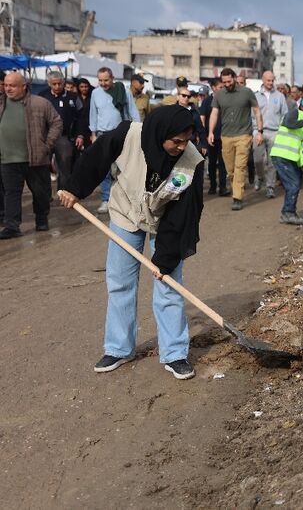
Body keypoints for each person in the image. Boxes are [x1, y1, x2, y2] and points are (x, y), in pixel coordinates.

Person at [58, 105, 205, 380]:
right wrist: (74, 188)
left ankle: (174, 353)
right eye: (176, 141)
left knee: (168, 285)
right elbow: (95, 159)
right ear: (160, 134)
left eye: (187, 140)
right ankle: (118, 348)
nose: (182, 146)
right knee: (120, 282)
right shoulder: (128, 135)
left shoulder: (191, 162)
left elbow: (183, 217)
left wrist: (164, 259)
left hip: (165, 224)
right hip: (125, 213)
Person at [0, 72, 62, 238]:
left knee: (40, 192)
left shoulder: (40, 103)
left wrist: (47, 145)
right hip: (7, 159)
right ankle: (12, 226)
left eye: (12, 85)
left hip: (35, 158)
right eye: (6, 85)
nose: (8, 89)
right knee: (11, 193)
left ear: (23, 86)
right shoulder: (2, 102)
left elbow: (56, 122)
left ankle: (42, 219)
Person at [207, 68, 264, 211]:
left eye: (229, 81)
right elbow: (214, 113)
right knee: (230, 170)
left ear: (234, 78)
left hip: (244, 135)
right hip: (226, 136)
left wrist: (260, 131)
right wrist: (210, 132)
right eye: (224, 82)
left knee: (240, 167)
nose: (227, 84)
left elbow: (257, 111)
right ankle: (237, 189)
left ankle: (237, 197)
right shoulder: (219, 94)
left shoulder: (246, 92)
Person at [90, 67, 140, 214]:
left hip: (121, 133)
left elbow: (133, 111)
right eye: (100, 80)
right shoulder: (95, 93)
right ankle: (106, 200)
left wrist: (138, 130)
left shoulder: (124, 91)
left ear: (112, 78)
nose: (103, 83)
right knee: (104, 168)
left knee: (123, 167)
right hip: (102, 134)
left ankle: (125, 199)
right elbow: (93, 114)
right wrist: (93, 134)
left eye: (106, 80)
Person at [39, 70, 84, 191]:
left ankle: (63, 193)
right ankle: (45, 196)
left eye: (60, 83)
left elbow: (81, 118)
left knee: (65, 165)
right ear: (49, 83)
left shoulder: (73, 97)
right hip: (44, 137)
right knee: (43, 166)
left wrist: (80, 135)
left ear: (63, 82)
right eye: (54, 84)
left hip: (64, 137)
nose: (57, 86)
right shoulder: (41, 97)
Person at [271, 105, 303, 225]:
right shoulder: (295, 113)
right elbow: (289, 123)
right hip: (281, 155)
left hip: (291, 158)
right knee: (293, 184)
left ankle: (287, 212)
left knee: (295, 184)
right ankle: (288, 213)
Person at [253, 70, 288, 199]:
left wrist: (281, 131)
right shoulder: (255, 96)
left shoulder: (279, 96)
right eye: (268, 80)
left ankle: (270, 187)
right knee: (258, 159)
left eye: (272, 80)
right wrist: (256, 130)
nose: (271, 83)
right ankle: (260, 177)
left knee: (272, 161)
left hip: (274, 132)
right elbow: (252, 115)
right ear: (263, 80)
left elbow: (284, 114)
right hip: (258, 131)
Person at [200, 78, 228, 196]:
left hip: (225, 136)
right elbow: (202, 118)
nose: (222, 89)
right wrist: (204, 135)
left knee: (223, 163)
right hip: (210, 137)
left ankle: (222, 187)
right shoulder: (207, 101)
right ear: (213, 88)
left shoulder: (227, 100)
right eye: (220, 87)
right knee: (211, 163)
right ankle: (212, 186)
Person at [176, 86, 205, 155]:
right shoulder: (172, 111)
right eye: (183, 95)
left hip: (190, 144)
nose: (186, 98)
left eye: (188, 96)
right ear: (178, 97)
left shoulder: (194, 112)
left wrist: (204, 145)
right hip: (175, 144)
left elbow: (200, 129)